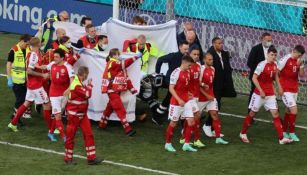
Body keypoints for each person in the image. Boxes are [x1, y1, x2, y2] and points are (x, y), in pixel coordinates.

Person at [239, 46, 292, 145]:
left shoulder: (275, 64)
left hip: (270, 94)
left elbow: (275, 76)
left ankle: (281, 139)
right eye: (272, 55)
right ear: (267, 54)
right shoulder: (262, 65)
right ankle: (243, 133)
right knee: (252, 114)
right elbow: (254, 78)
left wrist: (279, 87)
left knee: (275, 114)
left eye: (275, 55)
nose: (273, 57)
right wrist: (261, 90)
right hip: (259, 94)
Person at [8, 37, 54, 140]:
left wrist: (43, 67)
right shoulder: (33, 55)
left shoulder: (32, 53)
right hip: (36, 86)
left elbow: (34, 65)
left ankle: (13, 123)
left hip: (31, 85)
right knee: (47, 105)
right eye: (41, 43)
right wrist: (42, 75)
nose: (42, 44)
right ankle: (51, 129)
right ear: (38, 44)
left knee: (27, 103)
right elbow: (29, 70)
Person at [98, 48, 142, 136]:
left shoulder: (118, 67)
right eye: (118, 54)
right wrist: (135, 57)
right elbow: (125, 63)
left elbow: (126, 79)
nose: (119, 56)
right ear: (113, 55)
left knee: (109, 108)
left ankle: (102, 124)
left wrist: (132, 90)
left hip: (114, 91)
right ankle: (128, 129)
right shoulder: (113, 63)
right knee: (120, 109)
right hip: (112, 91)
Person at [64, 66, 102, 165]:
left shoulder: (78, 83)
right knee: (71, 136)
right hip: (74, 115)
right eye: (87, 75)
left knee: (89, 134)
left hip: (82, 115)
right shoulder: (76, 85)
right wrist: (89, 85)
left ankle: (91, 158)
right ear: (84, 74)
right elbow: (87, 94)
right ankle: (68, 158)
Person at [203, 37, 236, 137]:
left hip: (221, 84)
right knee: (213, 106)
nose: (221, 45)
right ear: (213, 44)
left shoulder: (223, 54)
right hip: (213, 85)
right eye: (219, 43)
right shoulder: (210, 54)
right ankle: (206, 125)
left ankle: (212, 127)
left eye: (222, 43)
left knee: (217, 105)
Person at [164, 55, 197, 152]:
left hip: (186, 101)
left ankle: (186, 144)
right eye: (189, 66)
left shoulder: (187, 72)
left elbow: (184, 87)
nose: (190, 68)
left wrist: (188, 94)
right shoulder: (176, 73)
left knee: (191, 121)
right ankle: (168, 143)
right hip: (176, 103)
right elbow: (171, 88)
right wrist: (178, 99)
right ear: (184, 63)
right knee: (173, 123)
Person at [153, 41, 189, 125]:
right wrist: (157, 73)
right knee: (169, 98)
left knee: (173, 98)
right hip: (171, 81)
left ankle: (182, 116)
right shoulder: (173, 56)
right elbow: (160, 59)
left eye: (187, 49)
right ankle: (156, 116)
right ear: (180, 47)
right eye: (185, 49)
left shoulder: (186, 57)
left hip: (181, 82)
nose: (187, 51)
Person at [199, 53, 229, 144]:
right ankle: (186, 133)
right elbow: (198, 84)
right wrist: (206, 94)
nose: (211, 61)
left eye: (212, 59)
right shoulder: (201, 69)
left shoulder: (213, 69)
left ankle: (218, 137)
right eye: (209, 60)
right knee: (195, 117)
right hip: (201, 98)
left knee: (215, 115)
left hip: (211, 97)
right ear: (204, 60)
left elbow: (210, 85)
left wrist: (211, 95)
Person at [46, 48, 75, 141]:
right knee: (58, 115)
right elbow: (44, 67)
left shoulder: (68, 67)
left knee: (57, 114)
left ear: (62, 58)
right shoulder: (52, 64)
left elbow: (72, 80)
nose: (54, 58)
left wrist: (69, 89)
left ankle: (50, 132)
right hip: (53, 94)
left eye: (57, 57)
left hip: (64, 94)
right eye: (54, 56)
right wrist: (36, 66)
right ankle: (64, 137)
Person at [278, 45, 305, 142]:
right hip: (285, 89)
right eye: (299, 55)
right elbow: (277, 71)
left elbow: (301, 75)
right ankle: (292, 133)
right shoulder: (285, 59)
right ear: (294, 51)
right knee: (294, 110)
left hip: (294, 89)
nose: (299, 57)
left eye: (301, 56)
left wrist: (300, 66)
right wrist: (279, 86)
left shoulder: (299, 61)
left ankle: (284, 131)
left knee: (289, 110)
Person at [179, 46, 205, 148]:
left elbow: (197, 81)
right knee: (196, 115)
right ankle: (196, 139)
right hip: (189, 97)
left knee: (191, 117)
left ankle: (183, 138)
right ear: (189, 54)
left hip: (196, 96)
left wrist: (202, 85)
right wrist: (186, 94)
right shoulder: (186, 68)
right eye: (194, 54)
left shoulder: (198, 66)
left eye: (198, 55)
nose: (196, 56)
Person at [6, 34, 32, 122]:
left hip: (26, 80)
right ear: (22, 41)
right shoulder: (14, 50)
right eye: (27, 44)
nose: (27, 46)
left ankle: (16, 117)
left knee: (24, 100)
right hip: (16, 81)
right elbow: (9, 64)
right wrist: (9, 78)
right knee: (20, 100)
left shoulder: (28, 49)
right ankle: (14, 118)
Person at [247, 33, 273, 108]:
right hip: (257, 76)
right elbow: (249, 63)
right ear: (262, 39)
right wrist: (259, 71)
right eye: (268, 40)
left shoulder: (272, 48)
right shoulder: (255, 49)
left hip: (268, 77)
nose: (269, 42)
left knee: (271, 94)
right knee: (253, 93)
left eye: (270, 40)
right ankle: (250, 112)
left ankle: (275, 112)